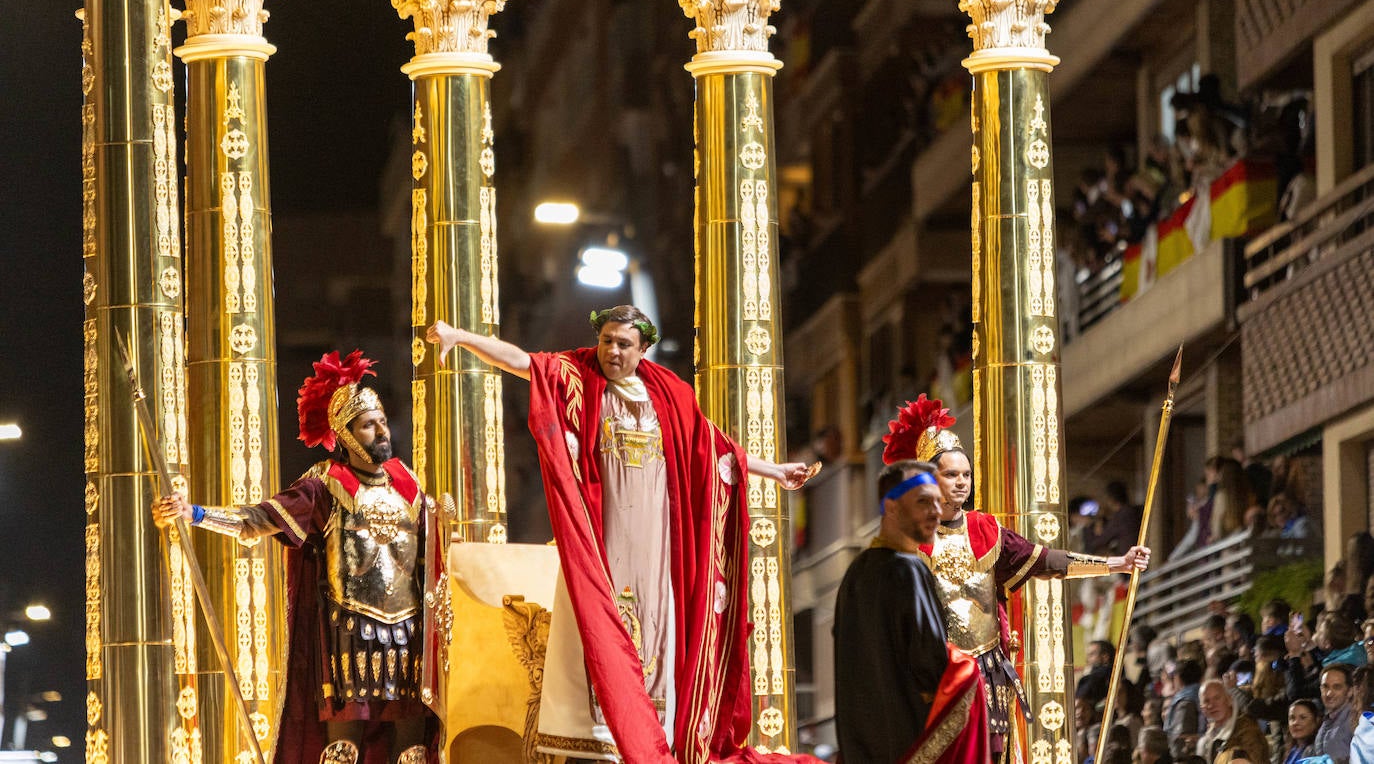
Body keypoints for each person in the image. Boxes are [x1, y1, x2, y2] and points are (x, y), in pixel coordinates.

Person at [426, 309, 815, 764]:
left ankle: (652, 742)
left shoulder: (670, 396)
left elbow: (715, 450)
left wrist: (775, 471)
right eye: (606, 340)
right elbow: (520, 361)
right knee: (598, 631)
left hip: (657, 550)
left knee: (657, 634)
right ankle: (601, 741)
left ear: (643, 349)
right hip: (602, 547)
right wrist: (460, 335)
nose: (611, 351)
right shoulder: (579, 377)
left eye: (623, 344)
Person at [152, 350, 447, 764]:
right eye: (368, 425)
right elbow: (257, 519)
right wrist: (195, 514)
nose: (381, 430)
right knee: (344, 751)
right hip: (350, 636)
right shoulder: (325, 486)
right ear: (345, 436)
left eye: (381, 421)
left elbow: (434, 558)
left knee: (412, 752)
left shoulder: (409, 486)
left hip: (409, 637)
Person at [879, 395, 1152, 761]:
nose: (961, 482)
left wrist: (1117, 563)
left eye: (966, 475)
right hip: (935, 676)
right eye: (950, 474)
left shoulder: (986, 529)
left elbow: (1045, 560)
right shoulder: (908, 541)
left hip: (987, 672)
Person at [833, 460, 990, 764]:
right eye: (923, 502)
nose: (936, 511)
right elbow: (931, 664)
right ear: (892, 507)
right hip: (911, 745)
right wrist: (967, 667)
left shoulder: (856, 572)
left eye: (937, 502)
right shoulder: (907, 569)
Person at [1195, 680, 1268, 764]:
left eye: (1217, 698)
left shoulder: (1248, 733)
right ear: (1202, 708)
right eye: (1206, 701)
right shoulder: (1206, 739)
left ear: (1229, 699)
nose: (1211, 705)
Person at [1315, 663, 1356, 764]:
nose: (1329, 693)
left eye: (1337, 687)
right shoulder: (1325, 721)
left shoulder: (1357, 720)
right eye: (1325, 687)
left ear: (1350, 691)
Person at [1280, 699, 1320, 764]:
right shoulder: (1290, 750)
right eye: (1292, 718)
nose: (1295, 723)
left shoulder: (1317, 752)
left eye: (1303, 717)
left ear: (1316, 721)